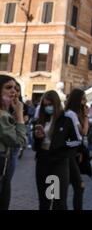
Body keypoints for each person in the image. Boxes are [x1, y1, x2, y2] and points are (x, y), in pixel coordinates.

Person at [33, 90, 82, 210]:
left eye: (50, 105)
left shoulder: (66, 120)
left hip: (58, 163)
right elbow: (35, 147)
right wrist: (38, 138)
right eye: (45, 105)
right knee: (44, 200)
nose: (47, 108)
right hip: (43, 161)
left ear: (56, 104)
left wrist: (62, 147)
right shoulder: (41, 120)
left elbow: (76, 141)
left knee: (58, 200)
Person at [0, 75, 27, 210]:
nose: (14, 92)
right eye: (8, 87)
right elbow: (19, 141)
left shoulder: (5, 114)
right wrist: (20, 114)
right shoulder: (2, 116)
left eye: (16, 89)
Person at [64, 88, 89, 210]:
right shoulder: (71, 114)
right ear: (77, 100)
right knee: (79, 186)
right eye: (83, 99)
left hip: (73, 152)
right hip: (68, 154)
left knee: (69, 183)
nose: (85, 102)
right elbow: (84, 131)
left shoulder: (71, 113)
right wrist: (86, 116)